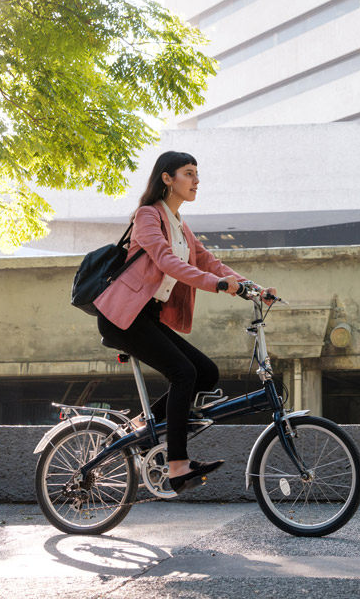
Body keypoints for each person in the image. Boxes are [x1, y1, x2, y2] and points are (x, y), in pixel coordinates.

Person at [93, 151, 274, 494]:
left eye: (197, 174)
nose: (196, 180)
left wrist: (254, 289)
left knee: (205, 372)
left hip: (145, 317)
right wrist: (216, 285)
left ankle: (140, 426)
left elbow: (211, 262)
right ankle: (177, 464)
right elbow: (164, 260)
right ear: (167, 178)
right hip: (122, 317)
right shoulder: (148, 216)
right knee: (183, 373)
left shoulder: (180, 226)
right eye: (188, 173)